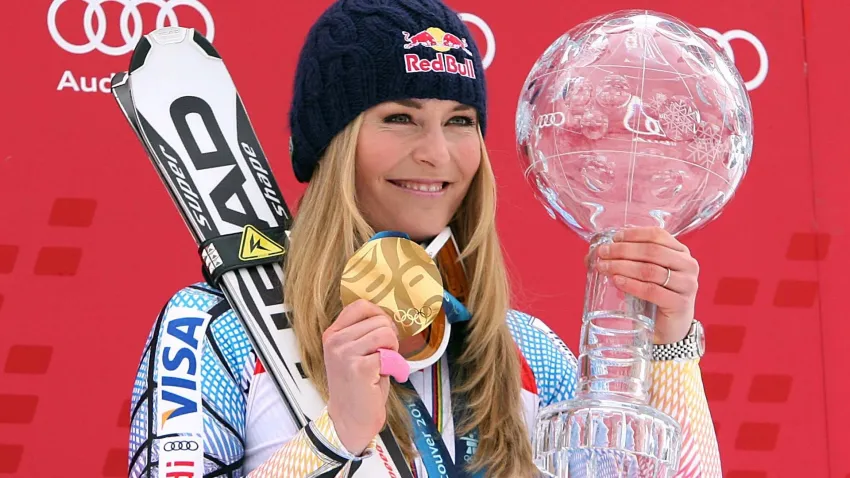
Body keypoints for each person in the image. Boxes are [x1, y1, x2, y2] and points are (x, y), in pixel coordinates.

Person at [127, 0, 722, 476]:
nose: (437, 154)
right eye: (399, 117)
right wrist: (334, 439)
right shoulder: (216, 331)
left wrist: (670, 349)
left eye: (460, 122)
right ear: (334, 147)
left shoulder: (528, 353)